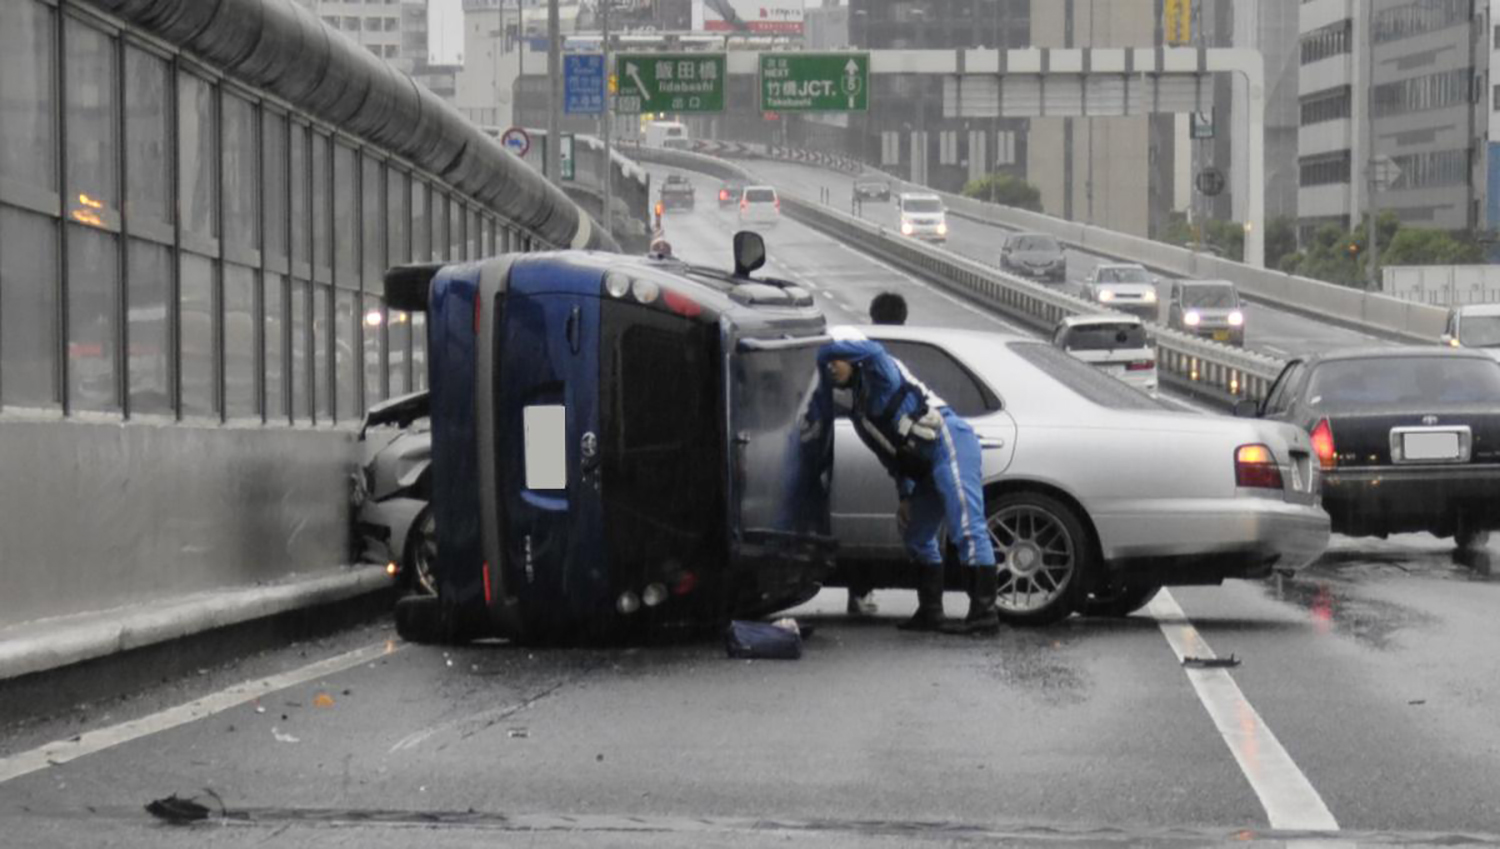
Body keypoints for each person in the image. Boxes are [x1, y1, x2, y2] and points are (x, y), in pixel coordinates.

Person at [805, 328, 1000, 634]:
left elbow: (873, 349)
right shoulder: (860, 410)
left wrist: (819, 352)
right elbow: (892, 457)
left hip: (950, 443)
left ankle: (984, 614)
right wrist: (906, 496)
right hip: (923, 466)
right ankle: (931, 612)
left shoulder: (881, 371)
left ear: (854, 358)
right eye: (828, 361)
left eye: (838, 358)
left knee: (966, 526)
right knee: (916, 534)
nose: (831, 366)